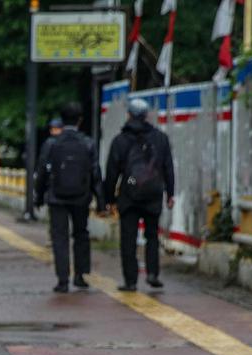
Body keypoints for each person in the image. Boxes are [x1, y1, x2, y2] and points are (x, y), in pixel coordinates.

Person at [104, 97, 175, 291]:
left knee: (128, 238)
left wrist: (108, 199)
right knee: (152, 235)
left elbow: (112, 172)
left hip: (129, 193)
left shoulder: (120, 140)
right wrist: (170, 193)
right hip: (153, 193)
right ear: (146, 116)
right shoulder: (161, 138)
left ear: (128, 115)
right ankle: (152, 273)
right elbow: (168, 167)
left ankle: (130, 280)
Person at [34, 101, 103, 293]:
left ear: (62, 121)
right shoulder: (87, 142)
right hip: (81, 196)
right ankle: (80, 276)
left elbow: (42, 172)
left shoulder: (51, 143)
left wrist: (38, 197)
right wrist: (101, 201)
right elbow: (95, 172)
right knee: (81, 234)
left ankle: (62, 279)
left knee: (59, 237)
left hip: (56, 197)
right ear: (80, 120)